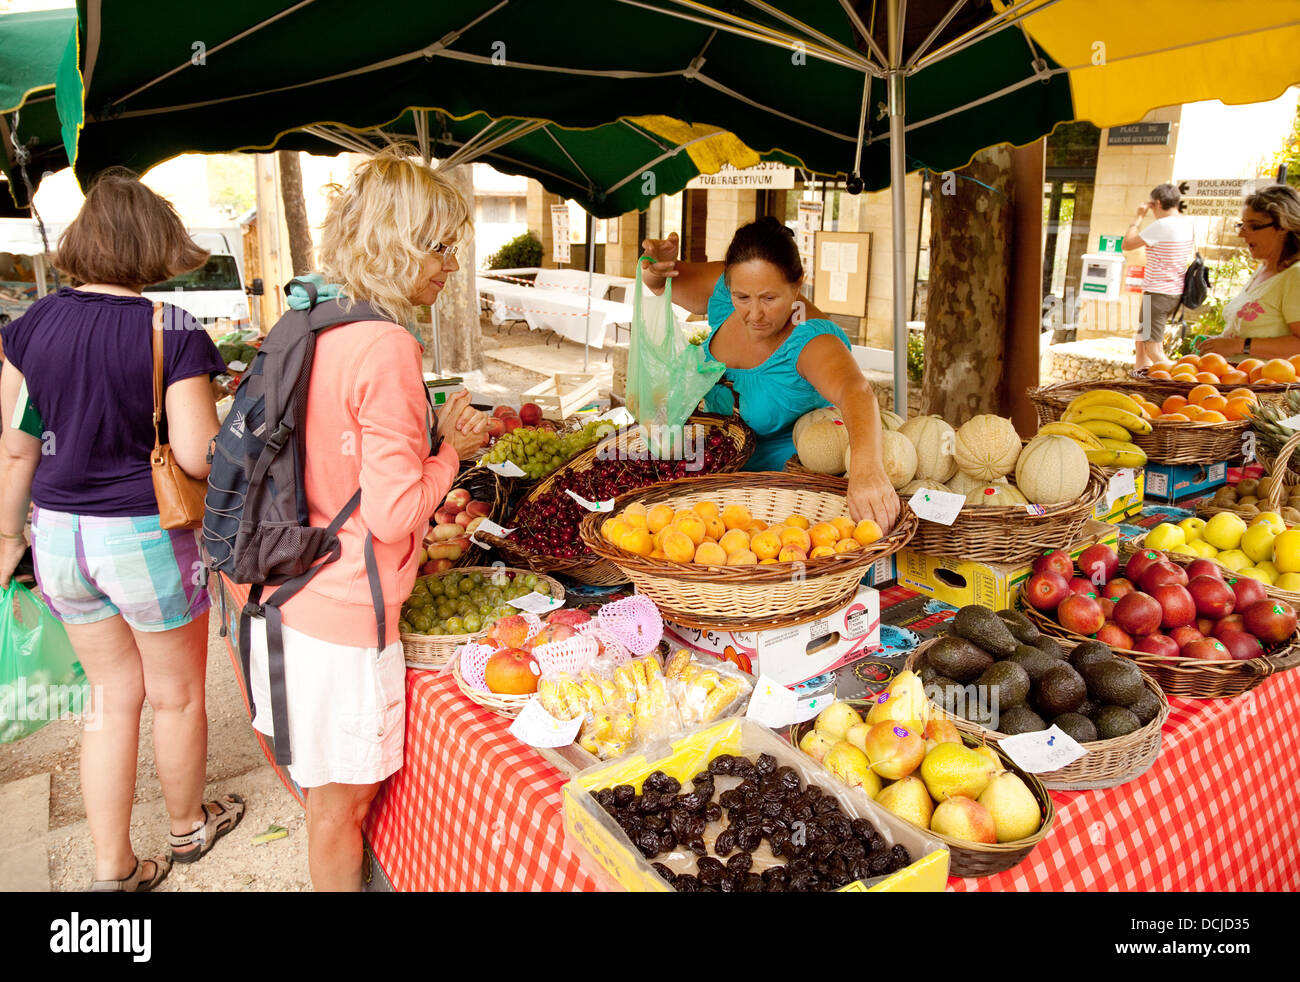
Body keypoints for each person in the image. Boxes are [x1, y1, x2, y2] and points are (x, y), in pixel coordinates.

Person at [242, 147, 486, 891]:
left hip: (288, 592)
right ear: (399, 243)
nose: (449, 265)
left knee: (327, 801)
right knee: (341, 811)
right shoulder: (385, 345)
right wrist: (450, 452)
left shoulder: (315, 318)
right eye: (440, 246)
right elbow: (394, 514)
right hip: (344, 616)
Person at [0, 169, 241, 892]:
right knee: (175, 694)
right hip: (142, 536)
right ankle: (188, 829)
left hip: (57, 534)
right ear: (153, 248)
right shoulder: (173, 329)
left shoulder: (31, 323)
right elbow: (198, 454)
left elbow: (13, 444)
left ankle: (114, 867)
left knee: (108, 696)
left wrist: (10, 538)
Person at [640, 219, 899, 533]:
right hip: (708, 498)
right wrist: (653, 271)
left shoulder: (810, 341)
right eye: (742, 298)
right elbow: (660, 283)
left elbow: (856, 391)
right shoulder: (728, 291)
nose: (755, 314)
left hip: (779, 514)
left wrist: (867, 469)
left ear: (797, 285)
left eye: (769, 299)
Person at [1196, 184, 1300, 362]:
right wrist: (1222, 343)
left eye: (1254, 226)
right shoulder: (1264, 268)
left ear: (1283, 227)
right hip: (1238, 383)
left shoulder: (1295, 275)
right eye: (1241, 225)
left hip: (1269, 387)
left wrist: (1240, 346)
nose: (1242, 234)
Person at [1122, 183, 1194, 370]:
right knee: (1141, 340)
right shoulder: (1187, 224)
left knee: (1153, 348)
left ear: (1159, 203)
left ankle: (1181, 380)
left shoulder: (1162, 225)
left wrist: (1138, 217)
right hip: (1173, 291)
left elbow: (1127, 243)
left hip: (1157, 293)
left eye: (1152, 206)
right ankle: (1141, 380)